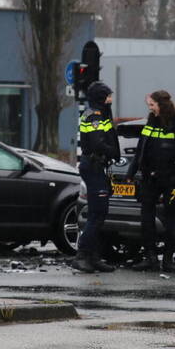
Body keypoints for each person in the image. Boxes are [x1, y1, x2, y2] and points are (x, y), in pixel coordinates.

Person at [127, 90, 175, 272]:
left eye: (152, 104)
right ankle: (150, 258)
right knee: (146, 218)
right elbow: (141, 148)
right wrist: (131, 172)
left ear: (161, 104)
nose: (150, 108)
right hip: (150, 177)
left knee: (171, 218)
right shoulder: (151, 121)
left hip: (172, 178)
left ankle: (167, 260)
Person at [72, 80, 120, 273]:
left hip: (96, 166)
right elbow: (98, 143)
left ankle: (94, 256)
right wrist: (114, 153)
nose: (110, 99)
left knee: (98, 213)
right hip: (93, 166)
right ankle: (82, 255)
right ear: (101, 97)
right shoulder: (94, 116)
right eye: (108, 96)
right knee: (98, 213)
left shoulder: (101, 114)